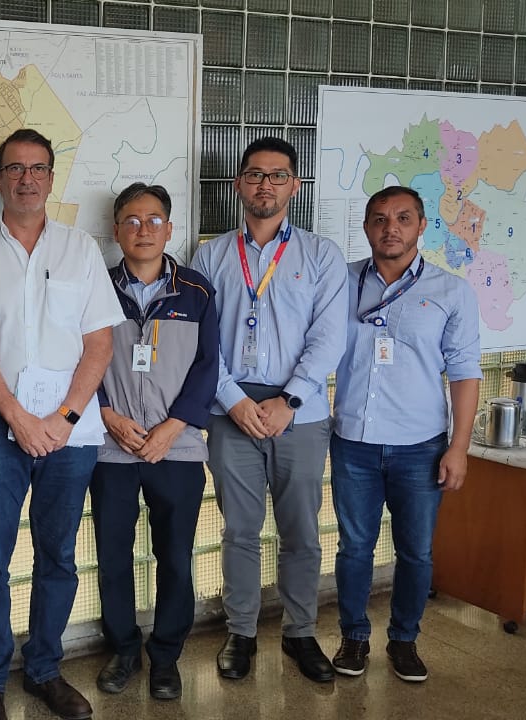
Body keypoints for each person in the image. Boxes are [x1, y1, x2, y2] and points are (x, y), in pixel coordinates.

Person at [0, 128, 124, 720]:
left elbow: (99, 344)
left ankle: (45, 669)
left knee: (58, 555)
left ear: (51, 177)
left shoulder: (81, 249)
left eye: (38, 168)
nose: (27, 178)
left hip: (69, 430)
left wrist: (64, 418)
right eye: (15, 168)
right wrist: (18, 418)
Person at [189, 136, 347, 684]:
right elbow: (200, 340)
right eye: (255, 174)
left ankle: (301, 633)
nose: (265, 185)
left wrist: (290, 398)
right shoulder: (210, 255)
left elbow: (329, 337)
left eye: (278, 176)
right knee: (240, 530)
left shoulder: (321, 255)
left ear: (294, 186)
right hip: (230, 411)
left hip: (298, 413)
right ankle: (242, 632)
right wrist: (232, 400)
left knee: (301, 531)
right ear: (239, 183)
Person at [329, 186, 481, 682]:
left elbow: (464, 372)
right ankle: (354, 637)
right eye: (379, 219)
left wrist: (459, 447)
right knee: (355, 548)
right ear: (366, 227)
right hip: (353, 442)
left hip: (420, 446)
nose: (389, 228)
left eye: (402, 218)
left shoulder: (450, 291)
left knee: (415, 551)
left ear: (421, 226)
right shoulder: (341, 281)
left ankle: (404, 640)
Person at [90, 183, 219, 701]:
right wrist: (106, 415)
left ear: (170, 228)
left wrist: (173, 427)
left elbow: (208, 368)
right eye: (131, 220)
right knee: (113, 557)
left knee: (175, 556)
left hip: (177, 447)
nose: (142, 230)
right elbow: (78, 358)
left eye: (153, 220)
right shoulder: (95, 287)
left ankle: (166, 656)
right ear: (116, 230)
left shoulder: (197, 292)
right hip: (112, 447)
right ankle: (123, 648)